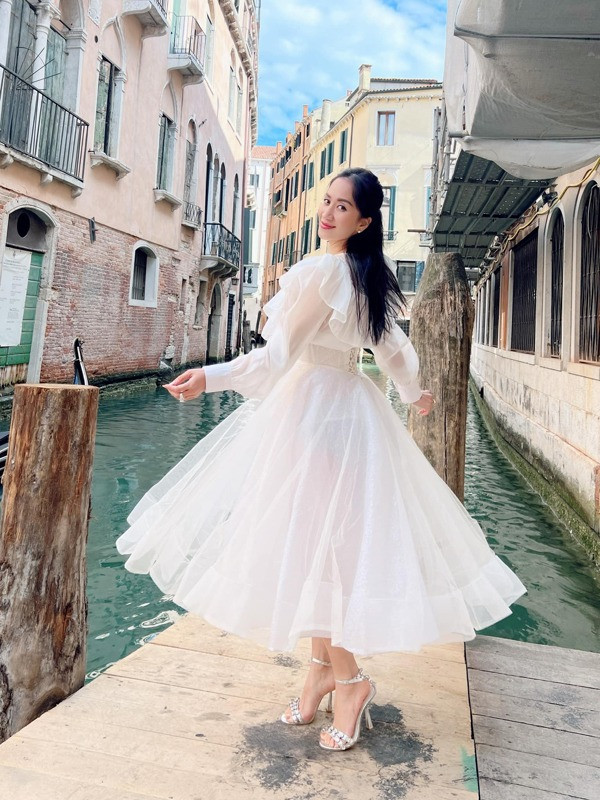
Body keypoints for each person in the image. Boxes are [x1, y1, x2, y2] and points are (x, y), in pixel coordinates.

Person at [116, 168, 526, 752]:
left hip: (313, 415)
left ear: (363, 221)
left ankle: (350, 681)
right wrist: (414, 394)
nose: (327, 214)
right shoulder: (365, 274)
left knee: (317, 546)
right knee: (321, 542)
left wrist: (210, 376)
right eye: (326, 202)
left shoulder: (324, 272)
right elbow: (394, 350)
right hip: (348, 412)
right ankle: (320, 671)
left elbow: (274, 360)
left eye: (341, 207)